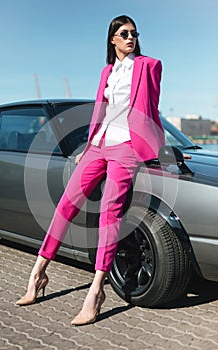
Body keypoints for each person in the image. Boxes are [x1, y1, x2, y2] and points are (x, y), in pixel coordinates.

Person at [16, 15, 165, 326]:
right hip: (98, 145)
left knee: (110, 212)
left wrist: (151, 148)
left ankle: (96, 290)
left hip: (126, 146)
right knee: (67, 204)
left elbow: (152, 108)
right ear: (112, 39)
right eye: (123, 33)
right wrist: (90, 142)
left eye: (134, 33)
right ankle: (38, 272)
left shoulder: (150, 65)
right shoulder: (106, 71)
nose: (130, 38)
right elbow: (102, 110)